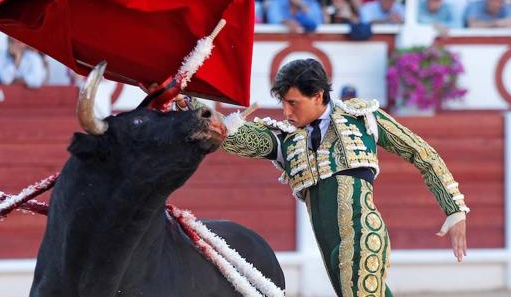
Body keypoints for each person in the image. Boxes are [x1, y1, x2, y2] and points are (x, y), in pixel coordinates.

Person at [177, 58, 469, 297]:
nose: (286, 112)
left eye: (294, 103)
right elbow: (236, 136)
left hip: (363, 231)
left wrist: (454, 208)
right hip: (328, 246)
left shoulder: (361, 118)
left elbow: (421, 152)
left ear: (318, 96)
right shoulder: (287, 140)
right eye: (284, 104)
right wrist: (189, 105)